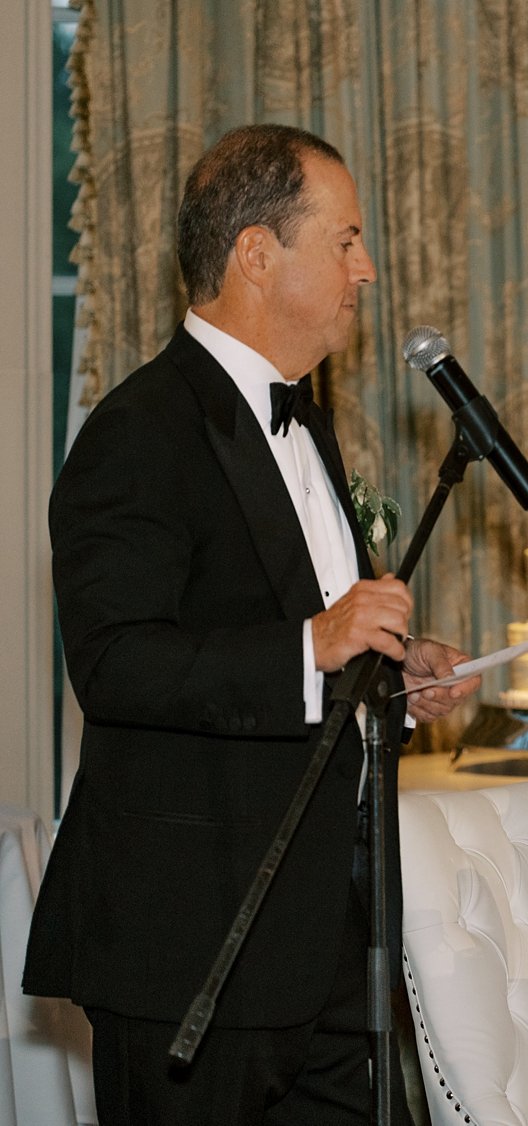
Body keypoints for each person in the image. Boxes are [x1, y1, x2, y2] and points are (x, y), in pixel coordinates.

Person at [23, 124, 479, 1124]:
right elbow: (117, 662)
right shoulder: (137, 432)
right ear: (257, 254)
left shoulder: (308, 419)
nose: (368, 270)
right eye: (347, 240)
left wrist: (397, 672)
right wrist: (313, 643)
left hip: (328, 947)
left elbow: (310, 647)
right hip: (194, 945)